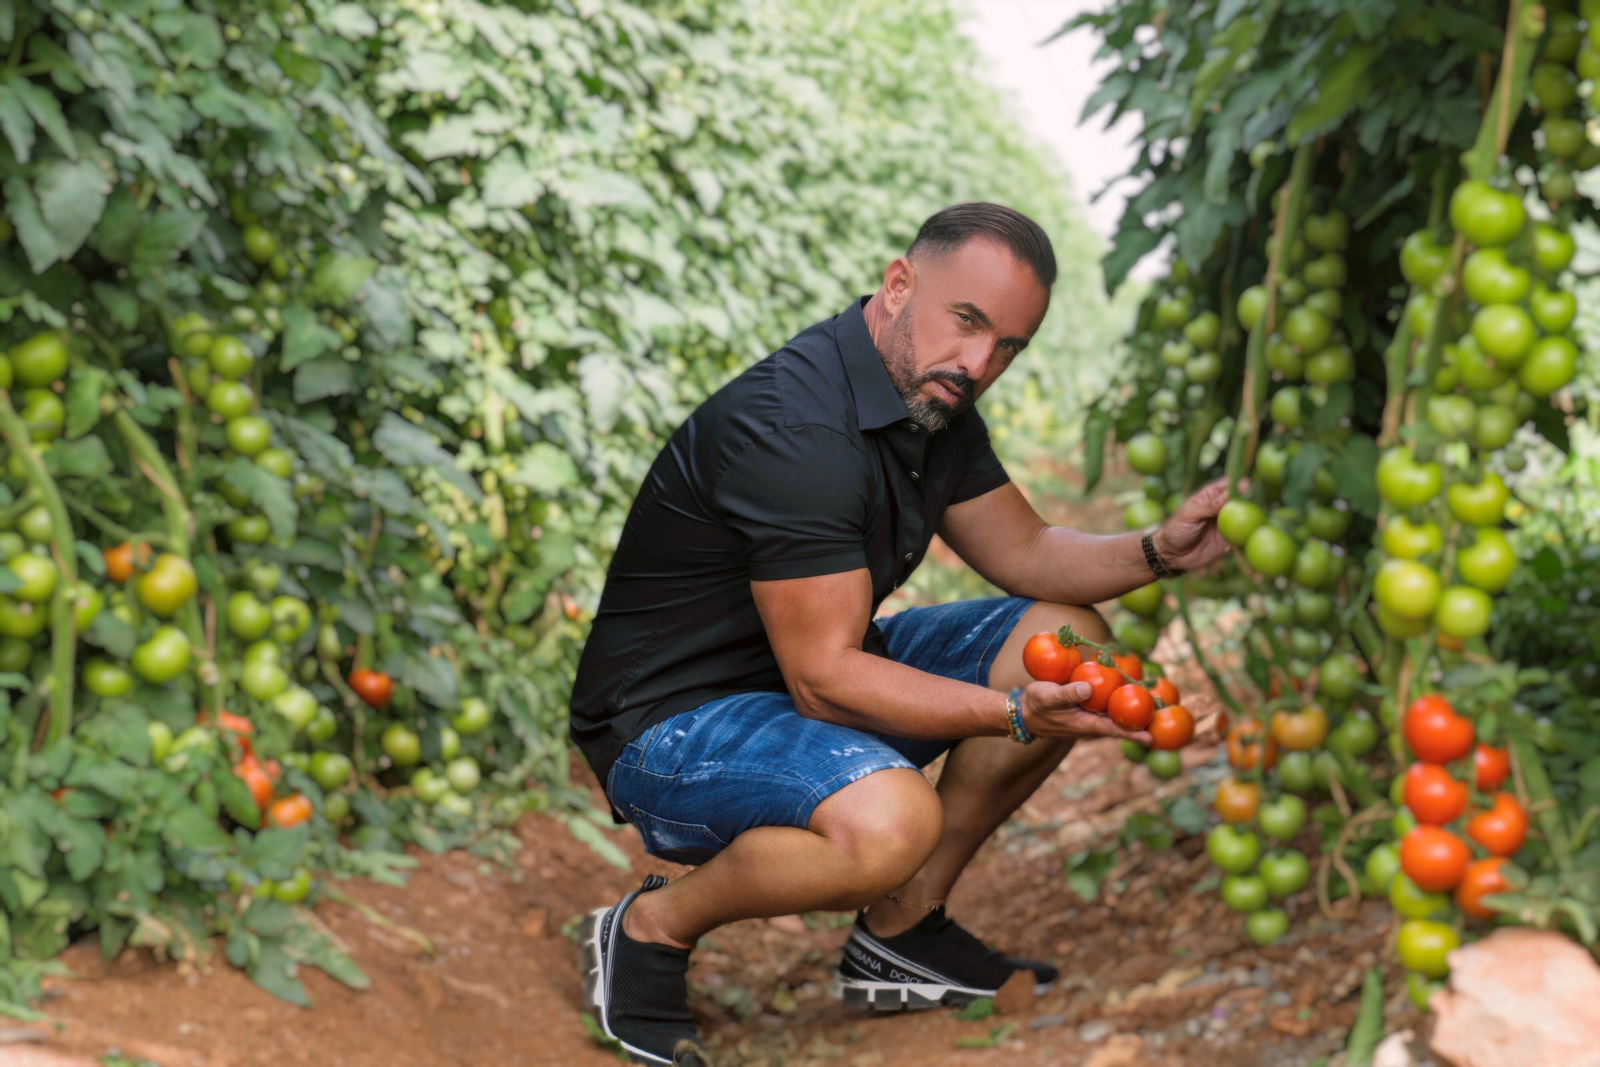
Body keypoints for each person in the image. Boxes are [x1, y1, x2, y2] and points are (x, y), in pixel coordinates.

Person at [570, 202, 1232, 1065]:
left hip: (796, 680)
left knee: (1071, 633)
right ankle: (649, 929)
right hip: (672, 726)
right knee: (890, 819)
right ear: (897, 283)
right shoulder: (798, 429)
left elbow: (1027, 551)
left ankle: (901, 925)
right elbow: (826, 681)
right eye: (968, 322)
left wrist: (1159, 551)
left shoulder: (931, 400)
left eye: (1007, 347)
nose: (978, 363)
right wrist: (1015, 712)